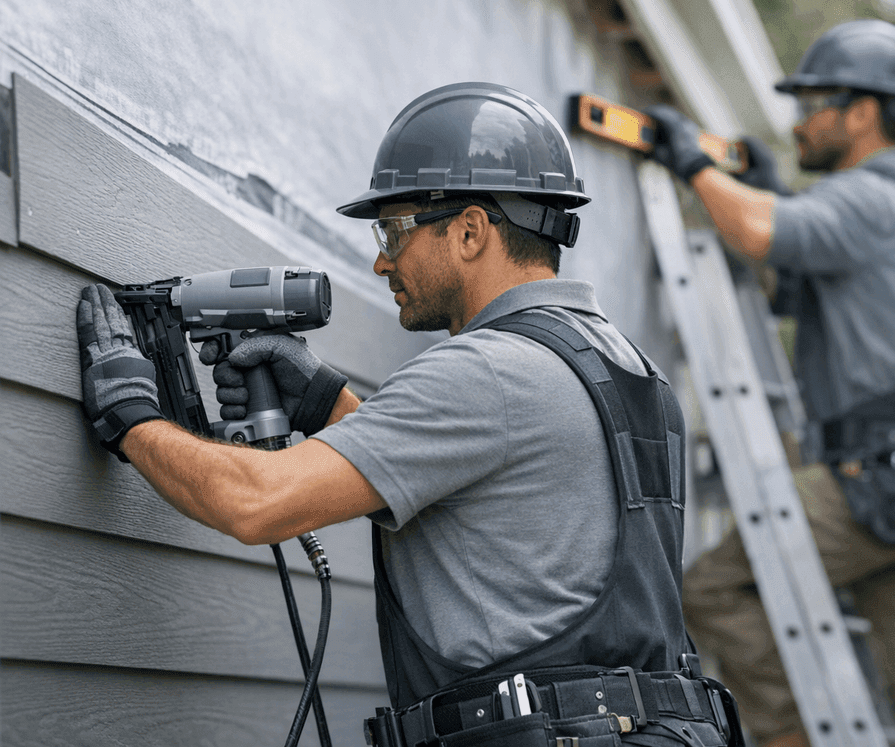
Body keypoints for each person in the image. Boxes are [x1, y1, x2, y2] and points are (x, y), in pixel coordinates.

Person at [77, 82, 740, 746]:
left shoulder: (486, 370)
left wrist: (133, 416)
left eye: (393, 228)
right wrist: (329, 407)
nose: (380, 256)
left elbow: (256, 503)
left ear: (472, 230)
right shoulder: (627, 371)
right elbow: (497, 524)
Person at [644, 20, 895, 747]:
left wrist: (691, 163)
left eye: (814, 106)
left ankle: (790, 735)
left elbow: (754, 233)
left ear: (862, 112)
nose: (800, 123)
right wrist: (773, 200)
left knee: (710, 588)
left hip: (873, 482)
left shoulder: (869, 198)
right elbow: (790, 278)